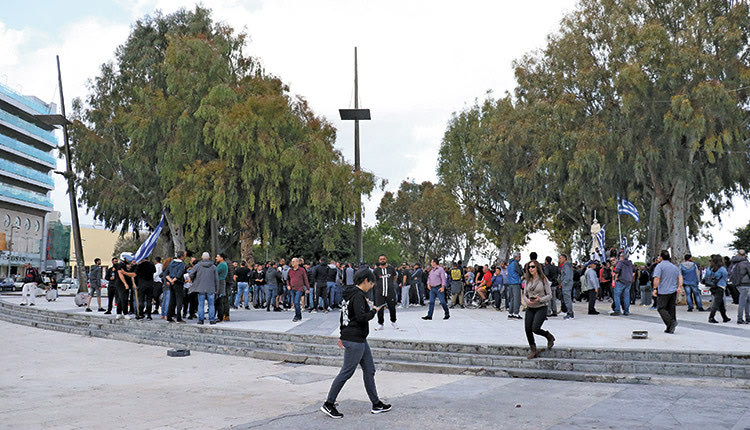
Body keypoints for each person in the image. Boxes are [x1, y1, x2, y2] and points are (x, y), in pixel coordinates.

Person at [320, 268, 392, 419]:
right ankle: (329, 403)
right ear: (365, 281)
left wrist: (342, 334)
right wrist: (374, 311)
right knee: (347, 372)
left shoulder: (350, 294)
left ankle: (376, 404)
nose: (372, 286)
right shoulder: (358, 295)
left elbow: (344, 316)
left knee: (369, 369)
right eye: (371, 283)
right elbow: (360, 317)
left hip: (357, 338)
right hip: (354, 339)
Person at [522, 260, 555, 359]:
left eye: (532, 267)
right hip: (530, 307)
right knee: (528, 329)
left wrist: (540, 299)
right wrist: (527, 301)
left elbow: (549, 295)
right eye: (529, 267)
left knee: (535, 328)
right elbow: (524, 294)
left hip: (541, 306)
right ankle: (533, 349)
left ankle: (548, 336)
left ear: (537, 268)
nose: (530, 269)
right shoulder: (527, 280)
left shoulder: (543, 279)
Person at [652, 250, 683, 334]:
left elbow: (657, 278)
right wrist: (679, 287)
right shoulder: (674, 267)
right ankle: (670, 327)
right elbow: (680, 277)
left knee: (661, 308)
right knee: (671, 309)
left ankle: (671, 322)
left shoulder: (659, 266)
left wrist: (655, 288)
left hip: (663, 291)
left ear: (661, 257)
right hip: (673, 290)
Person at [190, 252, 219, 325]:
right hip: (211, 287)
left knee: (201, 304)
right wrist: (217, 288)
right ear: (209, 258)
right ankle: (212, 319)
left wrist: (195, 281)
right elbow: (216, 279)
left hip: (200, 287)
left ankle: (201, 320)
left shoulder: (198, 266)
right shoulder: (213, 267)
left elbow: (191, 274)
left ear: (201, 257)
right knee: (211, 304)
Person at [373, 254, 399, 330]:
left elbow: (395, 277)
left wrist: (390, 284)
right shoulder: (376, 270)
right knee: (380, 308)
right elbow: (374, 280)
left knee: (392, 307)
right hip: (380, 292)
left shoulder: (391, 268)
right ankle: (380, 324)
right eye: (381, 259)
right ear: (379, 260)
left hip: (390, 291)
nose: (382, 260)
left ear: (386, 259)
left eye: (383, 259)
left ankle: (393, 321)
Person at [704, 254, 731, 324]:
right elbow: (725, 275)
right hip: (720, 286)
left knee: (720, 302)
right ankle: (711, 317)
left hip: (712, 286)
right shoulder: (722, 269)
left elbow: (706, 276)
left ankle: (724, 317)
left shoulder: (709, 268)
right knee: (716, 303)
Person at [165, 251, 187, 323]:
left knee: (172, 300)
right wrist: (174, 280)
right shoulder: (181, 264)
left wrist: (170, 280)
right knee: (179, 301)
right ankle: (178, 318)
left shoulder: (171, 263)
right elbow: (179, 274)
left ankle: (169, 316)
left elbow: (166, 273)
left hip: (171, 283)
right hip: (178, 283)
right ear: (182, 256)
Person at [729, 250, 750, 324]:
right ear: (744, 255)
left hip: (737, 284)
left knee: (746, 300)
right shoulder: (745, 263)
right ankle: (740, 319)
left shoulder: (733, 263)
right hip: (745, 283)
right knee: (743, 302)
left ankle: (747, 317)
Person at [286, 258, 310, 322]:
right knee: (295, 302)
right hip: (292, 288)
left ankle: (296, 316)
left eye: (293, 261)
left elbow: (305, 279)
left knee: (296, 302)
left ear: (297, 262)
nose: (292, 263)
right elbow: (287, 279)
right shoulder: (290, 271)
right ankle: (299, 315)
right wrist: (288, 285)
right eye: (292, 261)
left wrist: (307, 288)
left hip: (300, 288)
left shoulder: (302, 270)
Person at [506, 252, 524, 320]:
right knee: (517, 299)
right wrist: (521, 269)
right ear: (516, 257)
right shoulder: (516, 263)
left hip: (510, 283)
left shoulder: (510, 263)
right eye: (519, 256)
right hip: (516, 282)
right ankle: (516, 313)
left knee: (512, 299)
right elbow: (520, 272)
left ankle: (510, 313)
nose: (520, 258)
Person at [558, 254, 574, 319]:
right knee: (566, 299)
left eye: (560, 258)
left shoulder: (566, 265)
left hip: (567, 285)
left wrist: (564, 283)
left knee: (567, 299)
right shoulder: (566, 265)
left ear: (564, 258)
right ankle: (569, 312)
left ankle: (570, 313)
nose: (559, 260)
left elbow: (567, 275)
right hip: (566, 284)